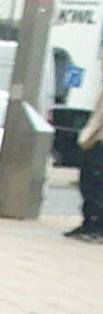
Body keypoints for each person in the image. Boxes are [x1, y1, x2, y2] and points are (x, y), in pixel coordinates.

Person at [70, 90, 103, 240]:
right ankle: (91, 224)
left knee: (93, 185)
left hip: (98, 143)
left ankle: (93, 226)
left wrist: (85, 138)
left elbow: (97, 118)